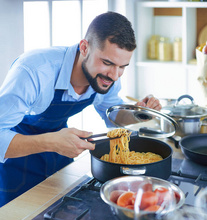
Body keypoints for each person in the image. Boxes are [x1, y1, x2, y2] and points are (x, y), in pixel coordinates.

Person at [0, 11, 161, 207]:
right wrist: (51, 142)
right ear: (84, 47)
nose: (115, 75)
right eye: (107, 63)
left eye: (123, 67)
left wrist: (137, 114)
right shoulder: (34, 71)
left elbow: (112, 115)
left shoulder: (108, 77)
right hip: (15, 164)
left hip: (59, 158)